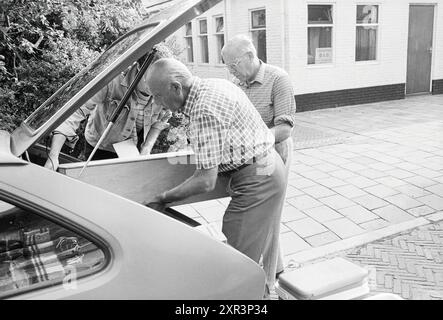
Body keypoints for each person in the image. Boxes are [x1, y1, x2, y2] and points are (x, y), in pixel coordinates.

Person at [143, 58, 286, 298]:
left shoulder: (203, 109)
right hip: (264, 168)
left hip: (258, 179)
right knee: (243, 258)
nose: (157, 103)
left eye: (157, 95)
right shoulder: (214, 85)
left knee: (234, 265)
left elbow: (205, 181)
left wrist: (162, 198)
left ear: (176, 87)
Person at [221, 35, 296, 294]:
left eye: (233, 65)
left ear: (250, 56)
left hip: (272, 154)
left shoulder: (278, 79)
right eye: (227, 67)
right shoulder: (236, 84)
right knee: (259, 216)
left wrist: (251, 140)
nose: (230, 71)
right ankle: (278, 268)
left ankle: (267, 284)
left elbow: (284, 128)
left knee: (270, 219)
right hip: (246, 157)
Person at [44, 43, 173, 171]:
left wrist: (146, 149)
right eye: (153, 78)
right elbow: (74, 112)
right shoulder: (112, 81)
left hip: (132, 148)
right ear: (139, 67)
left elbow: (160, 121)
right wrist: (53, 156)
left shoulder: (165, 88)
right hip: (100, 146)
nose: (159, 85)